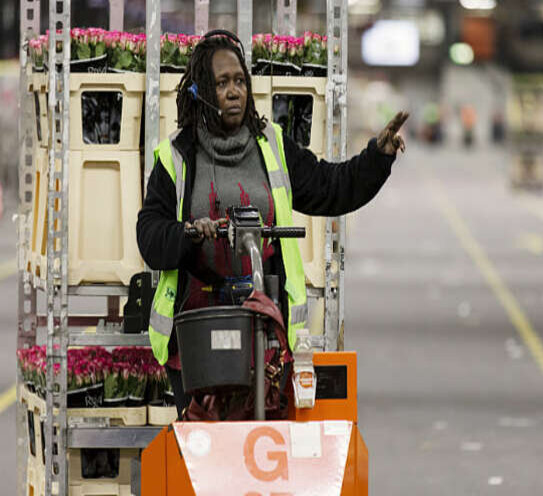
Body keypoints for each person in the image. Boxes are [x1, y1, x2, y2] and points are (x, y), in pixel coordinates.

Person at [136, 30, 408, 417]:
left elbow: (332, 187)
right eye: (222, 83)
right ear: (201, 92)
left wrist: (377, 157)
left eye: (240, 81)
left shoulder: (273, 146)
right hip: (196, 337)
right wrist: (189, 233)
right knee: (205, 456)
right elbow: (149, 236)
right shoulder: (175, 157)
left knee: (261, 448)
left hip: (264, 334)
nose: (234, 92)